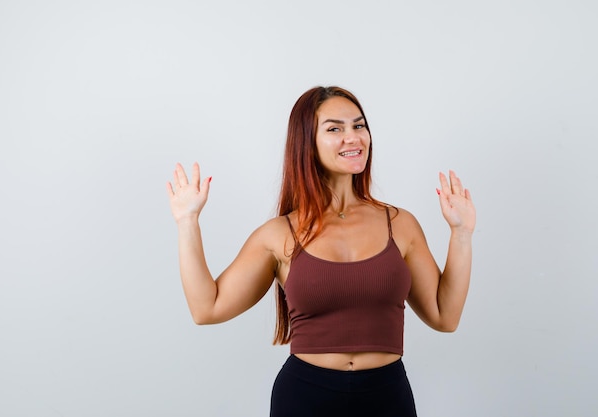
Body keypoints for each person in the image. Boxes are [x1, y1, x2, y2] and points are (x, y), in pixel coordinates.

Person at [166, 86, 476, 417]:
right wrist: (187, 222)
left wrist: (461, 233)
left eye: (359, 126)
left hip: (387, 396)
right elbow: (207, 309)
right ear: (306, 143)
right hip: (305, 398)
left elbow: (445, 317)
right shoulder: (280, 234)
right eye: (334, 129)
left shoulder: (400, 225)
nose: (353, 137)